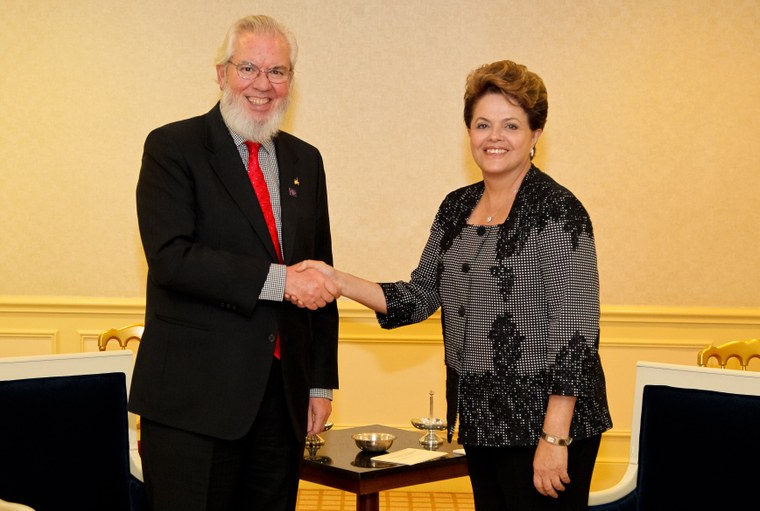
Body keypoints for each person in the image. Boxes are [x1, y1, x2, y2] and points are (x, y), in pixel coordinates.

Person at [295, 60, 612, 510]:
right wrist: (337, 279)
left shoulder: (558, 210)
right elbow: (419, 297)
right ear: (469, 131)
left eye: (511, 125)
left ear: (536, 133)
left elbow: (576, 332)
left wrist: (554, 437)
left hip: (548, 425)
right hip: (480, 419)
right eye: (483, 124)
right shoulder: (456, 207)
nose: (494, 137)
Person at [129, 15, 340, 511]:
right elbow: (171, 258)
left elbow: (320, 272)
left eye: (278, 72)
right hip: (192, 403)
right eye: (249, 68)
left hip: (281, 403)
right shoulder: (172, 147)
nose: (263, 85)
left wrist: (319, 381)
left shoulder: (305, 161)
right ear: (221, 73)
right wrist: (279, 280)